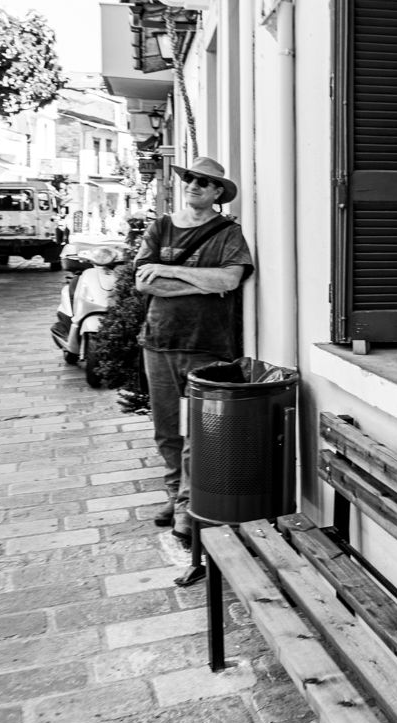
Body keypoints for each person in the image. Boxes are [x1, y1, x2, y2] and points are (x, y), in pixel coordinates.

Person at [135, 156, 254, 546]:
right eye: (189, 178)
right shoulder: (161, 227)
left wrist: (171, 270)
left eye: (203, 182)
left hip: (208, 343)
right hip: (160, 340)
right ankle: (175, 493)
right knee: (167, 429)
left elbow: (230, 279)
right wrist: (203, 283)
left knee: (199, 432)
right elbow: (144, 283)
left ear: (218, 191)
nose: (193, 185)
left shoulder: (228, 233)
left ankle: (187, 507)